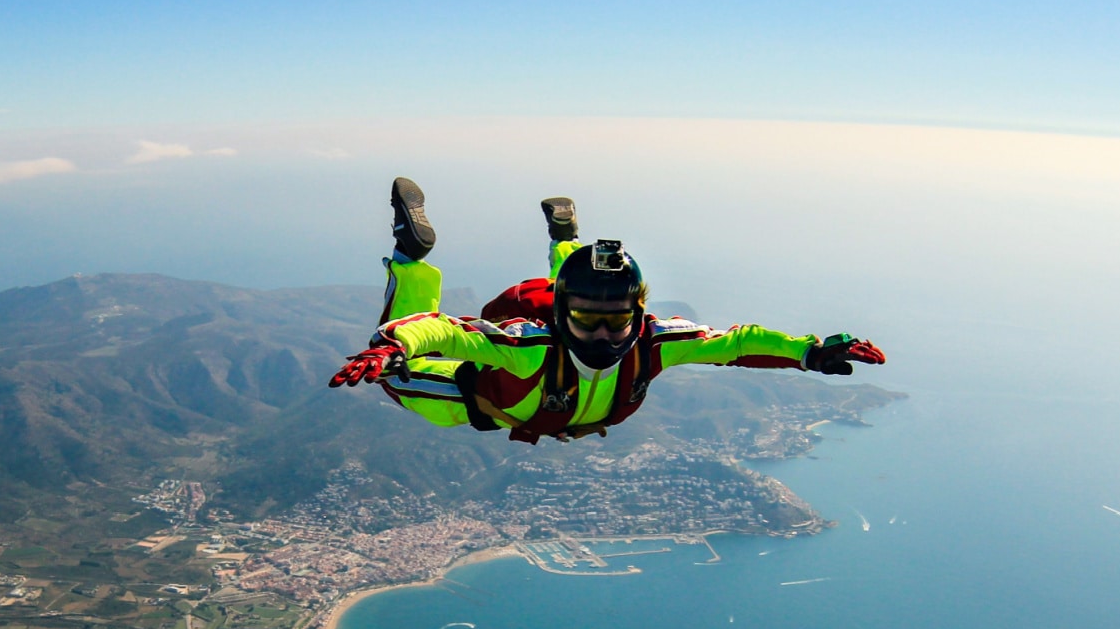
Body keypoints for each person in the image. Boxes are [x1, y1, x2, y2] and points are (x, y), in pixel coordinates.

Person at [329, 178, 886, 444]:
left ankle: (568, 242)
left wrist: (807, 352)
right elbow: (444, 332)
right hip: (478, 400)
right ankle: (412, 258)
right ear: (559, 316)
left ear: (637, 313)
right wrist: (392, 348)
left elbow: (737, 343)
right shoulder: (528, 345)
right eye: (584, 319)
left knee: (580, 286)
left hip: (526, 409)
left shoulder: (653, 340)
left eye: (615, 319)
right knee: (400, 381)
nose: (601, 331)